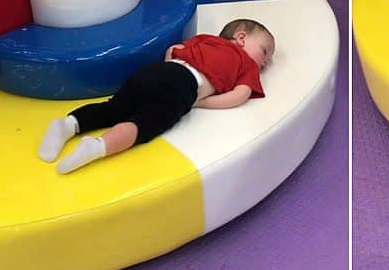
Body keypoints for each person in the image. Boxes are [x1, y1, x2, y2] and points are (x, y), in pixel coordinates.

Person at [38, 19, 275, 174]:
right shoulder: (247, 64)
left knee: (113, 107)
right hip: (184, 85)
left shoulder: (205, 38)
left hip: (157, 71)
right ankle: (98, 146)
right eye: (265, 51)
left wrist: (169, 66)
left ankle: (68, 125)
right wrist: (201, 101)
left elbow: (173, 50)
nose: (267, 61)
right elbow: (240, 95)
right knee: (144, 123)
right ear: (241, 38)